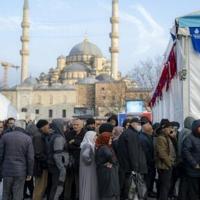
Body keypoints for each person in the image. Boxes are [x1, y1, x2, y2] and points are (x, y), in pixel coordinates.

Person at [0, 123, 34, 200]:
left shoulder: (5, 136)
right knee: (18, 194)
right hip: (20, 171)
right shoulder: (27, 138)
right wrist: (30, 173)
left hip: (7, 171)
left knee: (6, 193)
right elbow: (30, 158)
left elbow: (0, 155)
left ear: (14, 127)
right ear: (23, 128)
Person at [117, 118, 147, 200]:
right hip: (130, 167)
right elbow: (133, 152)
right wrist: (135, 168)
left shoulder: (129, 133)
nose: (140, 126)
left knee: (129, 187)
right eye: (138, 124)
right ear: (133, 124)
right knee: (131, 188)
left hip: (126, 166)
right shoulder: (131, 134)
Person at [48, 119, 69, 200]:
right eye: (63, 125)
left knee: (55, 186)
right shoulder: (58, 138)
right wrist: (62, 168)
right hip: (57, 166)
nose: (65, 126)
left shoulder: (53, 135)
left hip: (54, 165)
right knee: (57, 187)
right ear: (59, 126)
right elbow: (57, 155)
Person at [155, 119, 176, 200]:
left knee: (164, 185)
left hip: (167, 165)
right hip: (164, 166)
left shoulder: (167, 137)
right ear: (164, 128)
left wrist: (173, 137)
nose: (171, 129)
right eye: (169, 127)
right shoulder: (161, 138)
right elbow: (162, 154)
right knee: (165, 186)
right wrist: (170, 164)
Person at [65, 119, 86, 200]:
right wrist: (77, 146)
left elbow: (84, 146)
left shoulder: (85, 134)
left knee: (78, 181)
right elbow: (66, 146)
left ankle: (78, 197)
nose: (75, 126)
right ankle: (67, 197)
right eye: (74, 124)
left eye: (77, 124)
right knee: (68, 181)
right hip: (70, 161)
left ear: (82, 125)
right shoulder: (68, 133)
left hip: (80, 162)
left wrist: (74, 141)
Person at [96, 131, 120, 200]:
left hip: (103, 171)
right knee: (109, 190)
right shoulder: (104, 147)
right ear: (105, 139)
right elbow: (110, 157)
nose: (111, 140)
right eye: (109, 138)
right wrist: (114, 162)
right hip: (107, 172)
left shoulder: (101, 146)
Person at [182, 119, 200, 200]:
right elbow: (186, 152)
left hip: (198, 170)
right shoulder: (189, 138)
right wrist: (194, 164)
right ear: (196, 128)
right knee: (193, 190)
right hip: (193, 170)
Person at [32, 120, 50, 200]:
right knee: (39, 188)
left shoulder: (41, 135)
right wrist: (47, 161)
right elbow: (38, 153)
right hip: (40, 166)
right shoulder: (38, 136)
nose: (49, 128)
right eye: (47, 126)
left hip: (41, 165)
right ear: (43, 127)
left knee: (41, 187)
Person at [178, 116, 195, 200]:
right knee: (187, 182)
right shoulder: (188, 133)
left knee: (183, 181)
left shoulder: (182, 131)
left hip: (181, 160)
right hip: (186, 161)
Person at [139, 117, 156, 198]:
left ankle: (149, 192)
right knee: (147, 179)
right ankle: (147, 193)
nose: (150, 126)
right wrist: (151, 161)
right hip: (147, 163)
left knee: (149, 178)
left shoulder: (147, 136)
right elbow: (146, 152)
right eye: (148, 124)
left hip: (148, 163)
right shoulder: (143, 137)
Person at [79, 131, 99, 200]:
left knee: (89, 183)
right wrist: (90, 161)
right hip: (88, 167)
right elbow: (85, 155)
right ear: (90, 137)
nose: (96, 137)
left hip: (88, 167)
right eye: (95, 136)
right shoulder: (88, 145)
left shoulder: (87, 144)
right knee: (87, 183)